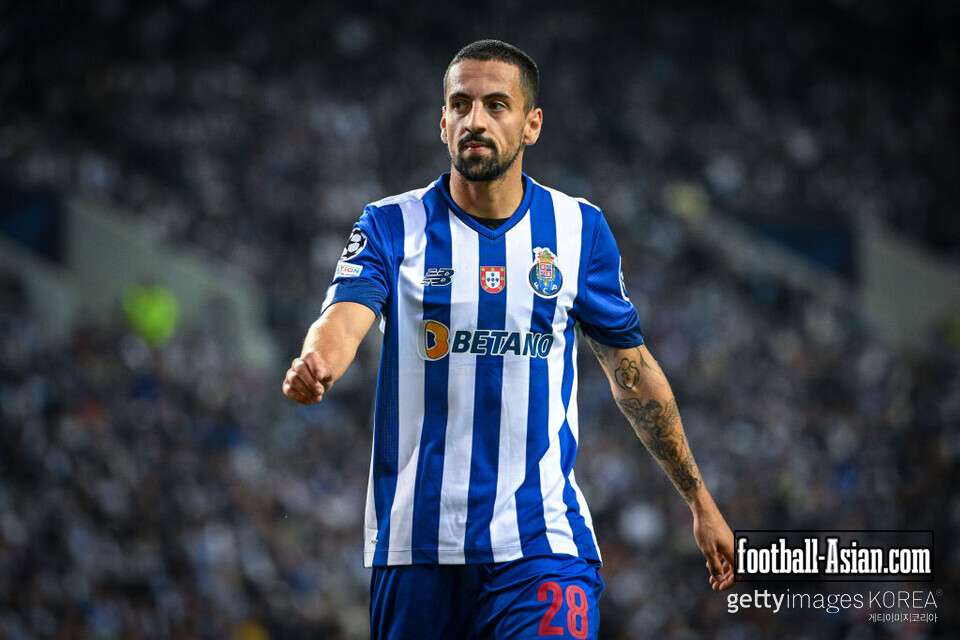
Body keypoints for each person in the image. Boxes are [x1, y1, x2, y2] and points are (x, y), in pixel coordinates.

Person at [282, 39, 735, 639]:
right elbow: (342, 317)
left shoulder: (579, 231)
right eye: (461, 104)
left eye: (497, 105)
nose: (476, 120)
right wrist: (318, 362)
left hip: (542, 544)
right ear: (442, 121)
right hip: (417, 551)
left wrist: (699, 500)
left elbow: (632, 374)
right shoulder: (391, 225)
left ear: (531, 124)